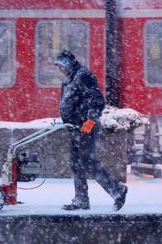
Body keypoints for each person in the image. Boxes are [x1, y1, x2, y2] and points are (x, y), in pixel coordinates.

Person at [54, 50, 128, 211]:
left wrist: (90, 120)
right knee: (76, 163)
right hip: (74, 127)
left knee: (87, 162)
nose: (59, 69)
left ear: (67, 64)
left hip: (85, 127)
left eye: (60, 65)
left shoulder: (83, 76)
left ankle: (117, 189)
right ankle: (81, 200)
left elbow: (97, 100)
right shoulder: (70, 79)